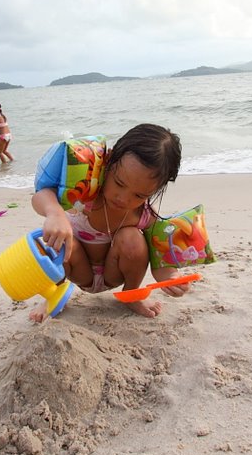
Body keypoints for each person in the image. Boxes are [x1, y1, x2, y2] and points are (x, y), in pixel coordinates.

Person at [31, 123, 191, 320]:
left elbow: (161, 258)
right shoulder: (85, 193)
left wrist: (170, 278)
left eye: (139, 194)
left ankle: (130, 295)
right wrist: (54, 213)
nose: (123, 199)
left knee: (132, 237)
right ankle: (53, 293)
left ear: (156, 190)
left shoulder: (143, 214)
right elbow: (42, 195)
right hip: (76, 268)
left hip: (112, 273)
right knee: (58, 236)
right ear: (109, 161)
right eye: (119, 183)